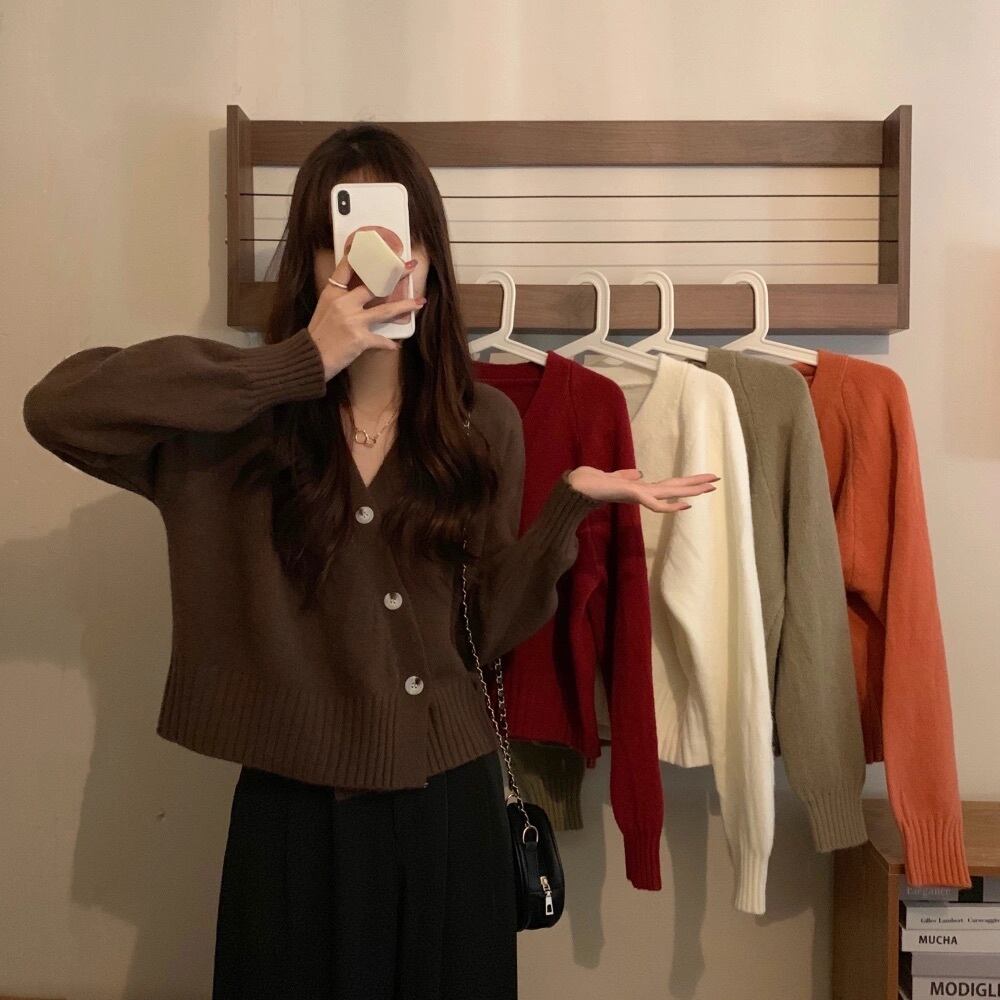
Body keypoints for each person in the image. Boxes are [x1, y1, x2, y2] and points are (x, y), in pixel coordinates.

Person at [22, 123, 718, 999]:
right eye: (345, 240)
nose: (379, 264)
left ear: (431, 263)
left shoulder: (482, 426)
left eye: (403, 240)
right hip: (292, 803)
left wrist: (565, 511)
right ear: (311, 266)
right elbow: (60, 409)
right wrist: (298, 364)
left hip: (449, 804)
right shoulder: (239, 424)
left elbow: (486, 633)